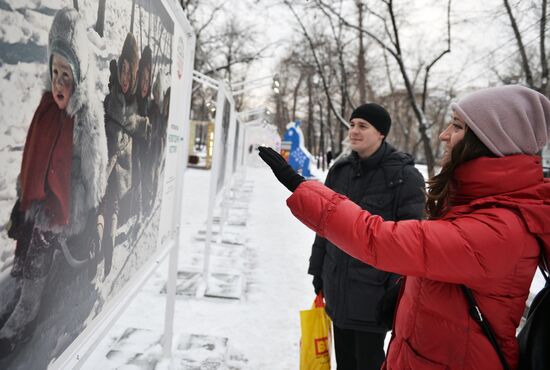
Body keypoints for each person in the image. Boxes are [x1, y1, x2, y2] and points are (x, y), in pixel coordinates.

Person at [259, 85, 550, 370]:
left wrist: (302, 187)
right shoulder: (471, 205)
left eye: (458, 127)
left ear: (491, 141)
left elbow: (388, 240)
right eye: (353, 124)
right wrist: (321, 273)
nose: (444, 135)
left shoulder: (499, 229)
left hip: (382, 307)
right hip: (366, 312)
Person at [0, 7, 108, 354]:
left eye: (68, 76)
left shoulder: (86, 112)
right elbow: (33, 154)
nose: (60, 84)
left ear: (80, 75)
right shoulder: (47, 106)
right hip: (42, 193)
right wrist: (24, 194)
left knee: (40, 242)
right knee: (27, 231)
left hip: (65, 202)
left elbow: (95, 163)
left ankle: (27, 312)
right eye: (55, 72)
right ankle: (20, 293)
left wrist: (87, 204)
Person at [308, 103, 425, 369]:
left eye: (363, 126)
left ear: (381, 133)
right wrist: (318, 273)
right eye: (352, 125)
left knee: (369, 362)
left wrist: (394, 290)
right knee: (345, 362)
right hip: (337, 287)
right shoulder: (340, 171)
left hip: (374, 295)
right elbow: (324, 227)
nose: (355, 131)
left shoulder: (404, 177)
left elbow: (410, 241)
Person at [102, 32, 150, 277]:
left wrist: (144, 126)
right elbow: (124, 118)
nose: (125, 77)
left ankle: (106, 247)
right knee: (105, 205)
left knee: (114, 205)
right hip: (107, 160)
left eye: (129, 73)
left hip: (120, 164)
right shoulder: (115, 98)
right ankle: (101, 241)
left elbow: (129, 120)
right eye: (122, 71)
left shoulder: (129, 101)